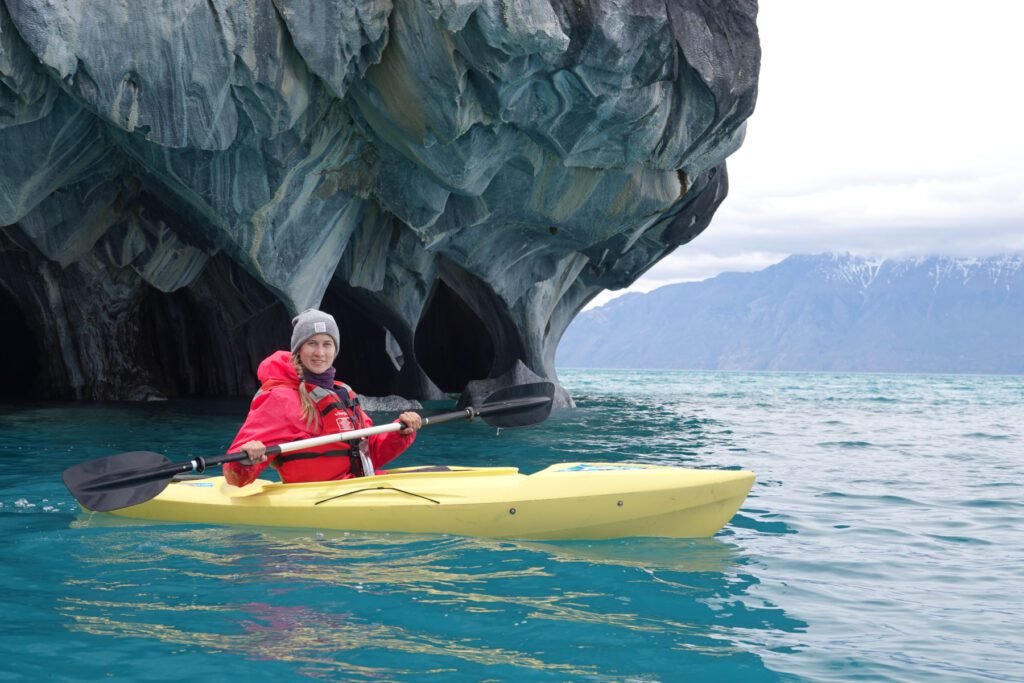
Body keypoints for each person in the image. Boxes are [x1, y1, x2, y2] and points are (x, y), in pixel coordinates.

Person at [223, 308, 422, 487]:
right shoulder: (280, 398)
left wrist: (400, 431)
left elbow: (370, 453)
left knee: (433, 474)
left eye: (327, 344)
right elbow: (234, 476)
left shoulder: (343, 392)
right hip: (317, 496)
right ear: (298, 349)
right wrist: (246, 459)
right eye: (311, 343)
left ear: (335, 350)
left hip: (355, 486)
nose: (320, 352)